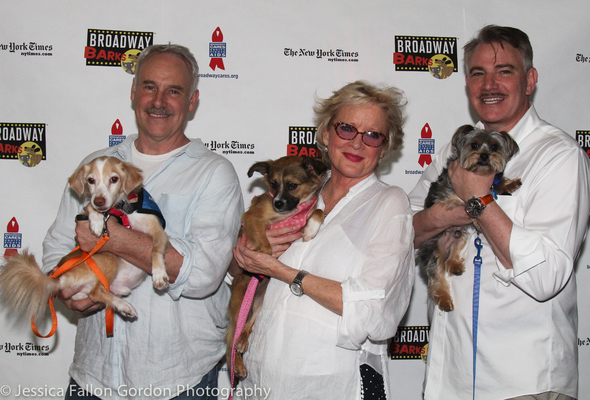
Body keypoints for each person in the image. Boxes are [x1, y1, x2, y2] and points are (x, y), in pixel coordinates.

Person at [42, 44, 244, 400]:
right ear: (133, 92)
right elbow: (57, 249)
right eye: (150, 87)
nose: (159, 101)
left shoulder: (214, 173)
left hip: (178, 379)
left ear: (192, 100)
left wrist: (115, 239)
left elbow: (203, 276)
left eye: (174, 91)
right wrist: (68, 289)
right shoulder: (96, 165)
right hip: (94, 377)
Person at [410, 25, 590, 400]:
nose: (489, 84)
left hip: (524, 383)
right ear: (466, 83)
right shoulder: (456, 148)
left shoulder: (559, 157)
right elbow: (404, 231)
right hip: (449, 378)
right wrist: (447, 214)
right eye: (478, 73)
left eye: (504, 71)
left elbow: (546, 278)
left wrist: (480, 201)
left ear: (530, 81)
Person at [232, 81, 415, 399]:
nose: (357, 143)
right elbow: (239, 279)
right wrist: (246, 259)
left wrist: (284, 272)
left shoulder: (390, 203)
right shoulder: (292, 196)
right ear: (326, 134)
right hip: (261, 379)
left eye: (372, 135)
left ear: (384, 148)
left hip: (333, 384)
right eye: (346, 128)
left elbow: (374, 313)